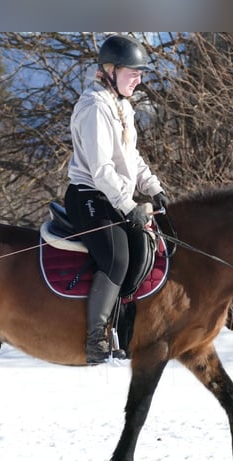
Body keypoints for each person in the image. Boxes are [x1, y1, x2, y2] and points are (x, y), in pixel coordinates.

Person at [65, 34, 170, 364]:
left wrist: (154, 187)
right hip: (89, 197)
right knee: (117, 259)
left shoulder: (122, 106)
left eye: (141, 73)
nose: (139, 79)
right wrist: (129, 206)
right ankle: (96, 338)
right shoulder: (95, 108)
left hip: (114, 195)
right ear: (109, 70)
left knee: (143, 247)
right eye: (132, 72)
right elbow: (101, 170)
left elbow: (130, 156)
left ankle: (126, 326)